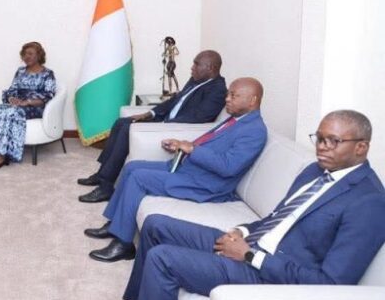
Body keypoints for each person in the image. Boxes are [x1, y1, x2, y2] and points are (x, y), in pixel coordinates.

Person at [123, 110, 385, 300]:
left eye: (333, 141)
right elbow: (277, 218)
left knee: (163, 258)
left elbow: (331, 283)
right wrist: (241, 231)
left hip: (269, 274)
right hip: (251, 244)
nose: (322, 148)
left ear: (361, 147)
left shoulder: (369, 201)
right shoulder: (315, 171)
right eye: (319, 138)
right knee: (155, 224)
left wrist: (250, 256)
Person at [85, 78, 267, 262]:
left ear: (253, 100)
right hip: (188, 167)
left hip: (205, 183)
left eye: (234, 96)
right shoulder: (236, 119)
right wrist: (181, 145)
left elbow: (229, 166)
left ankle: (123, 244)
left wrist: (192, 149)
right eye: (228, 94)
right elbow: (211, 145)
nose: (227, 99)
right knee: (132, 167)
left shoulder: (254, 130)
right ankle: (115, 225)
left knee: (138, 178)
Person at [78, 50, 227, 203]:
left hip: (175, 129)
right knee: (121, 122)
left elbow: (198, 117)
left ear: (210, 68)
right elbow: (174, 101)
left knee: (127, 130)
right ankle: (101, 174)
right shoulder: (196, 79)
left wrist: (163, 125)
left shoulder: (218, 90)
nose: (192, 67)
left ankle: (106, 187)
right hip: (164, 120)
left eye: (196, 64)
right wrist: (149, 114)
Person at [0, 42, 56, 170]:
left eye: (30, 53)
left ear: (39, 55)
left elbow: (48, 94)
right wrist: (12, 98)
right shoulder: (20, 71)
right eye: (24, 54)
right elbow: (12, 89)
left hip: (35, 106)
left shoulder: (47, 74)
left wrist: (27, 102)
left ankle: (3, 155)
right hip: (18, 104)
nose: (26, 57)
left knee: (10, 113)